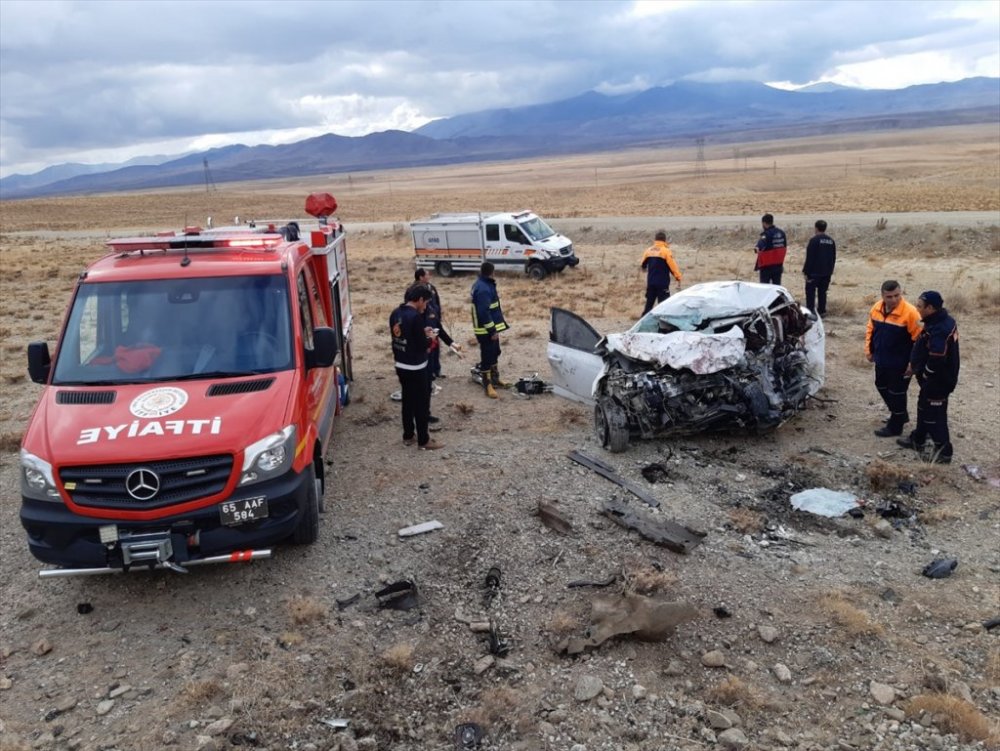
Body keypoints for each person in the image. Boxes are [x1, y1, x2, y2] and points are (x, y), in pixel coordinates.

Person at [898, 291, 960, 463]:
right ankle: (918, 439)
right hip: (932, 381)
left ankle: (944, 452)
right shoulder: (938, 321)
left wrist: (925, 374)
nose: (916, 308)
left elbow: (937, 358)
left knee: (935, 416)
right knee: (923, 406)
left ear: (930, 308)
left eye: (919, 306)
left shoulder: (940, 328)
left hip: (938, 381)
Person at [865, 280, 921, 437]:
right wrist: (869, 351)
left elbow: (920, 340)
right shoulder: (876, 308)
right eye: (889, 296)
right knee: (881, 385)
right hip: (882, 359)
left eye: (897, 295)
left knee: (897, 392)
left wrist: (913, 363)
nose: (894, 300)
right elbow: (871, 329)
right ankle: (900, 414)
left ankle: (895, 427)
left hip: (901, 363)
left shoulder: (911, 313)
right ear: (883, 295)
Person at [389, 286, 442, 450]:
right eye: (425, 302)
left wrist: (421, 332)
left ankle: (408, 435)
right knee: (421, 403)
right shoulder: (416, 316)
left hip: (400, 364)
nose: (425, 306)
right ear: (419, 300)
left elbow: (404, 334)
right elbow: (421, 345)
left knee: (407, 400)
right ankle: (424, 440)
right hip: (416, 367)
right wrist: (430, 339)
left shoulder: (395, 313)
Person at [412, 268, 462, 389]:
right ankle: (427, 380)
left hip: (433, 323)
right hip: (425, 331)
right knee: (426, 352)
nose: (429, 275)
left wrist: (451, 343)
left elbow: (437, 305)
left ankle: (435, 372)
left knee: (434, 349)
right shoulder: (414, 291)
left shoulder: (431, 289)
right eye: (427, 274)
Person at [470, 262, 509, 399]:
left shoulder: (485, 284)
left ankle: (495, 379)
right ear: (492, 272)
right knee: (487, 357)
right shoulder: (483, 288)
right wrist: (492, 330)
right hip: (485, 330)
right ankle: (487, 385)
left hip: (491, 329)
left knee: (495, 352)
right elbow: (483, 312)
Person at [640, 231, 682, 315]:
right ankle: (664, 325)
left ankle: (642, 323)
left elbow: (642, 265)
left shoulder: (648, 251)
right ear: (664, 240)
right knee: (664, 305)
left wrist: (645, 268)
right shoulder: (666, 251)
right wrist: (678, 277)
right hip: (662, 283)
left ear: (655, 240)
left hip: (651, 282)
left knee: (649, 305)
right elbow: (672, 266)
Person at [802, 219, 836, 316]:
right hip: (826, 272)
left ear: (816, 228)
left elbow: (810, 257)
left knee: (810, 292)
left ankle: (810, 311)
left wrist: (806, 272)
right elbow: (833, 257)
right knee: (822, 292)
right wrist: (830, 270)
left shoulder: (814, 240)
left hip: (814, 272)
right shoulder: (831, 241)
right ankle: (822, 311)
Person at [754, 213, 787, 285]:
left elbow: (759, 248)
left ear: (764, 223)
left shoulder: (765, 234)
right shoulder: (781, 233)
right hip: (778, 265)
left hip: (767, 266)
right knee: (777, 287)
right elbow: (784, 247)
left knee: (765, 287)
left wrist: (756, 248)